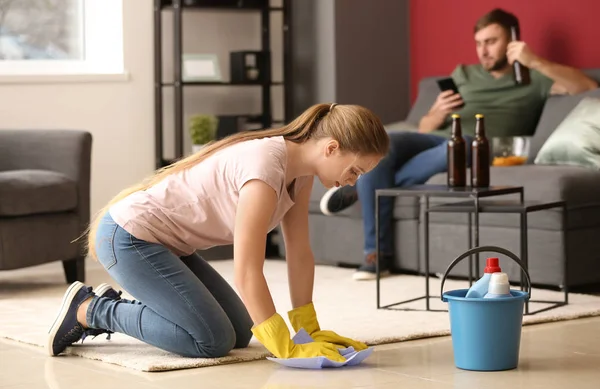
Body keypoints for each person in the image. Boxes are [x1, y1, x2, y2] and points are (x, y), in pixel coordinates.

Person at [47, 103, 390, 362]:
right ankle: (91, 309)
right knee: (211, 340)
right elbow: (246, 270)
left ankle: (114, 307)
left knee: (240, 333)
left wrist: (307, 329)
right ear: (331, 148)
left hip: (170, 246)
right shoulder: (265, 166)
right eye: (355, 170)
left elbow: (300, 253)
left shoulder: (301, 176)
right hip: (129, 238)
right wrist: (284, 346)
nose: (352, 181)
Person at [319, 8, 599, 281]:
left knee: (460, 144)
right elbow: (424, 127)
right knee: (385, 141)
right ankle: (372, 194)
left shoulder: (532, 78)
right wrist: (436, 113)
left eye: (491, 41)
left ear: (512, 40)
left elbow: (587, 86)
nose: (483, 50)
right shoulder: (464, 74)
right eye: (478, 43)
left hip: (471, 145)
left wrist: (534, 61)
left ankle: (371, 225)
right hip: (433, 137)